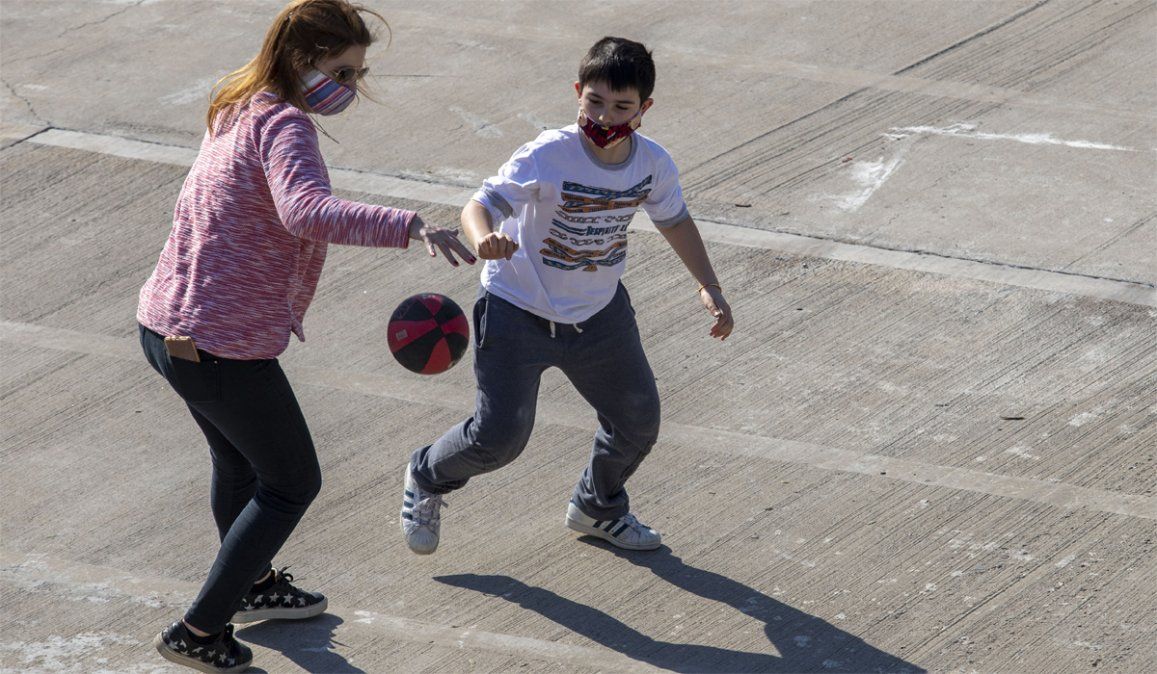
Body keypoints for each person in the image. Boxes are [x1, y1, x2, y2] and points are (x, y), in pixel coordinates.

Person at [137, 1, 473, 671]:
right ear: (300, 62)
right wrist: (408, 226)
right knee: (291, 483)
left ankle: (252, 584)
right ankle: (198, 632)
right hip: (220, 344)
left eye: (356, 74)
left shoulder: (239, 103)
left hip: (164, 328)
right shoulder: (286, 124)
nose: (348, 88)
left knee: (240, 465)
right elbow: (307, 212)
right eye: (340, 72)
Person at [401, 36, 734, 557]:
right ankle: (426, 475)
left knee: (637, 420)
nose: (605, 116)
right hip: (516, 312)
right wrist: (483, 237)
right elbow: (479, 203)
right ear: (578, 93)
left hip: (599, 316)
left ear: (644, 109)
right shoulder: (548, 153)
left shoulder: (652, 164)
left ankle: (597, 507)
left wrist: (709, 286)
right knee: (499, 438)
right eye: (594, 102)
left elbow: (675, 220)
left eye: (622, 106)